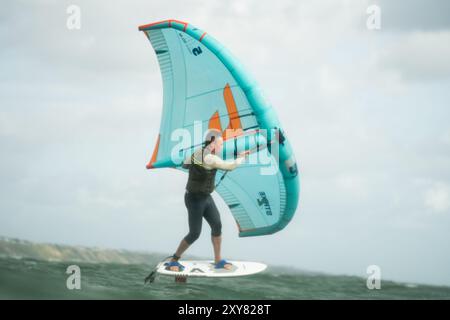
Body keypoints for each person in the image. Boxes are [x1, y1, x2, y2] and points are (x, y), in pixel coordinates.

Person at [165, 129, 245, 272]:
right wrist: (241, 157)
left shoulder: (197, 153)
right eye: (220, 144)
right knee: (195, 233)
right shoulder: (210, 158)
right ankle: (173, 261)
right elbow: (231, 166)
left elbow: (185, 164)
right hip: (194, 200)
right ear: (213, 143)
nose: (221, 147)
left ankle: (218, 260)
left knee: (217, 225)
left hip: (206, 198)